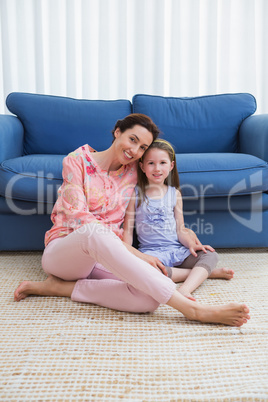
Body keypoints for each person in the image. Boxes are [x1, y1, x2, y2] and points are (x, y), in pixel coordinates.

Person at [14, 114, 250, 327]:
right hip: (66, 251)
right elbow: (78, 216)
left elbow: (161, 176)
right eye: (133, 139)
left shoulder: (133, 172)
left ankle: (59, 288)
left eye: (142, 147)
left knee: (149, 296)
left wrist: (186, 233)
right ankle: (194, 310)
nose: (135, 150)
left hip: (104, 258)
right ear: (118, 132)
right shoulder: (76, 160)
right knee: (95, 231)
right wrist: (140, 255)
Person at [123, 139, 234, 302]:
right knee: (142, 271)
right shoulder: (136, 194)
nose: (157, 168)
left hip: (176, 249)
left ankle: (185, 289)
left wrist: (191, 244)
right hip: (151, 253)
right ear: (142, 167)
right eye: (151, 163)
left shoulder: (174, 194)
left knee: (210, 255)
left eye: (162, 163)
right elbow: (127, 231)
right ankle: (206, 273)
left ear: (171, 166)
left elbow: (180, 228)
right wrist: (129, 255)